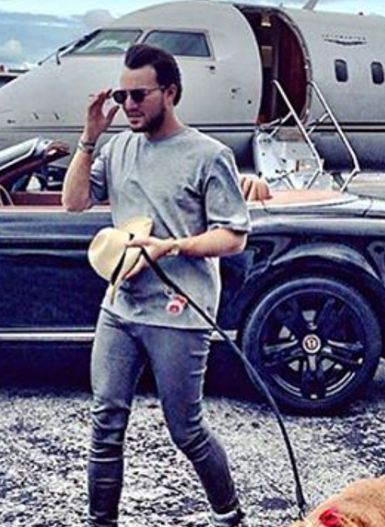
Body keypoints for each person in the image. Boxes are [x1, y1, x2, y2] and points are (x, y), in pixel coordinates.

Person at [62, 44, 251, 527]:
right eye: (121, 96)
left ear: (170, 92)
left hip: (179, 311)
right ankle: (100, 522)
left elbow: (233, 236)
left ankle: (228, 514)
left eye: (138, 95)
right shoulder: (118, 149)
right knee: (106, 422)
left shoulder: (209, 156)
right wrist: (88, 139)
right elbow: (74, 202)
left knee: (185, 429)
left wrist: (172, 247)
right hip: (121, 307)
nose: (128, 105)